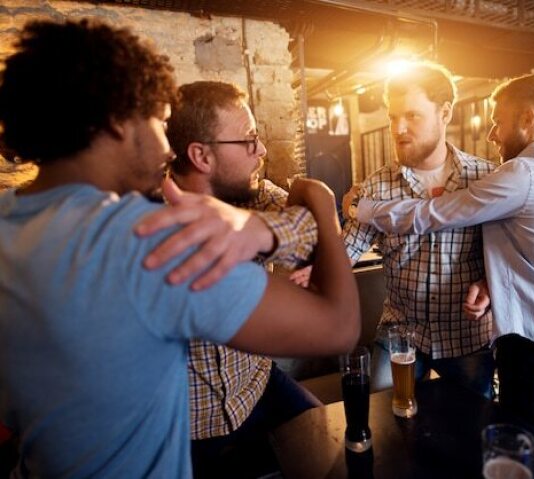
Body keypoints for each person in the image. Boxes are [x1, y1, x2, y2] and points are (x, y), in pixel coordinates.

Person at [0, 19, 359, 477]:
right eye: (160, 123)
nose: (167, 148)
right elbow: (340, 327)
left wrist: (265, 231)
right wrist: (322, 200)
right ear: (117, 121)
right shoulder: (148, 240)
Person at [355, 73, 534, 424]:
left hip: (532, 345)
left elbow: (436, 212)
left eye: (497, 122)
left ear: (528, 119)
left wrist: (360, 208)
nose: (491, 135)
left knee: (519, 444)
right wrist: (490, 285)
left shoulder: (522, 174)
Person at [166, 80, 321, 477]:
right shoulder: (145, 225)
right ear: (201, 155)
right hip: (185, 421)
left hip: (256, 384)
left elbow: (317, 223)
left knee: (332, 448)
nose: (262, 151)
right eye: (249, 139)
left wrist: (305, 248)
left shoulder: (256, 195)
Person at [341, 62, 496, 398]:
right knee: (384, 423)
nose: (398, 128)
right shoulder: (377, 185)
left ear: (445, 112)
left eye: (412, 115)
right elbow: (343, 255)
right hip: (399, 332)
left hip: (466, 334)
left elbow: (509, 255)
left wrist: (489, 285)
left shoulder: (486, 178)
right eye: (392, 116)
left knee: (471, 431)